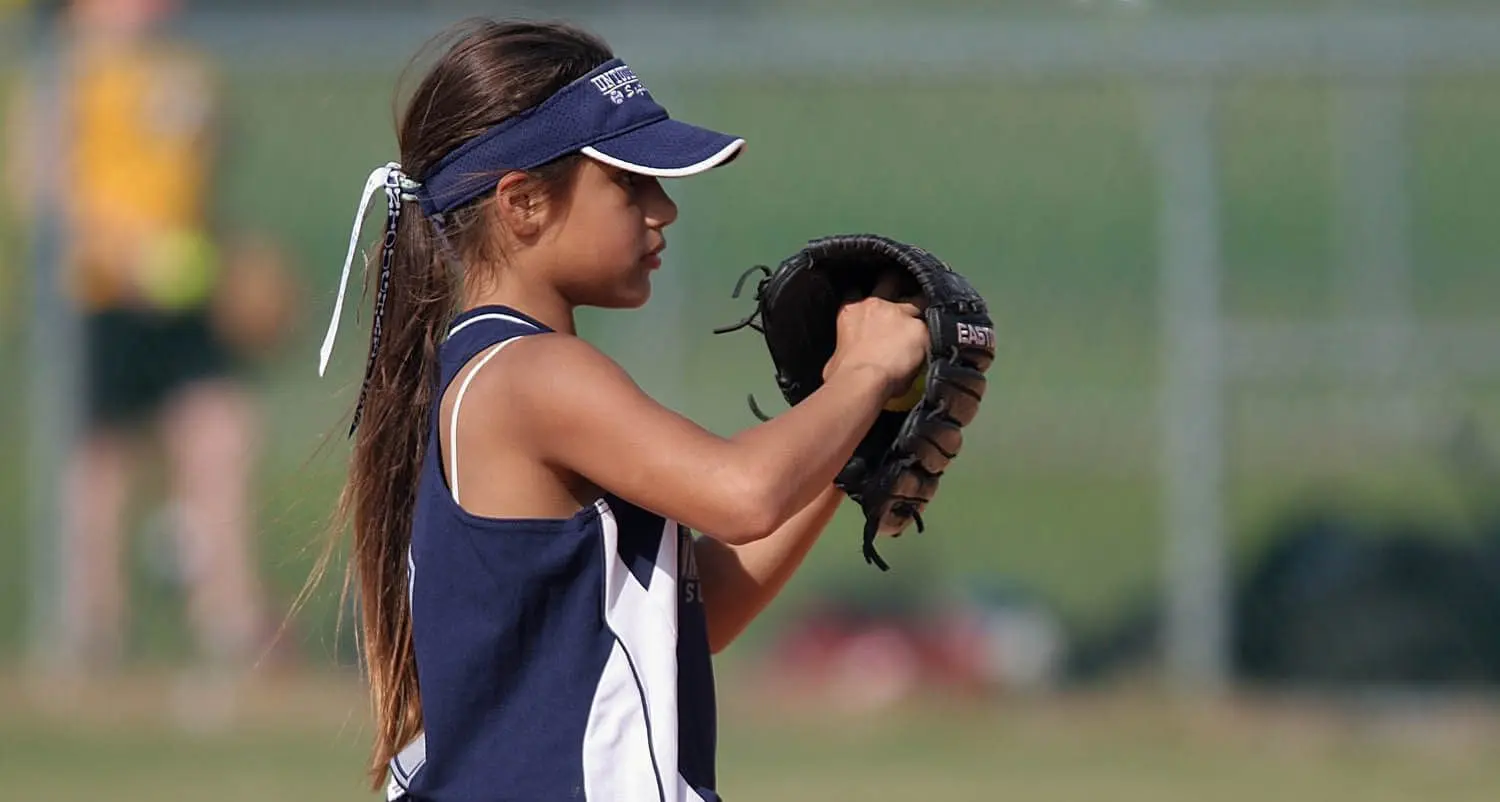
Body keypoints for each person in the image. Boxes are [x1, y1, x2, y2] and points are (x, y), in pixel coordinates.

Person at [314, 18, 928, 802]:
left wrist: (848, 454)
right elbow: (741, 494)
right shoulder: (532, 375)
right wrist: (865, 373)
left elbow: (679, 622)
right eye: (628, 182)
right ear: (523, 203)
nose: (662, 208)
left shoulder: (499, 371)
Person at [13, 0, 288, 679]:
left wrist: (226, 258)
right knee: (98, 468)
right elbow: (35, 189)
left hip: (182, 297)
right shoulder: (66, 69)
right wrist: (127, 250)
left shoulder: (184, 68)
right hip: (94, 298)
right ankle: (91, 630)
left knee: (221, 434)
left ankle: (226, 621)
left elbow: (198, 184)